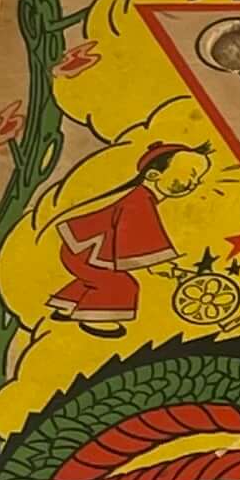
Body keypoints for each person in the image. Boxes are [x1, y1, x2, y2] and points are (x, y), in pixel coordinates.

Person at [49, 140, 207, 336]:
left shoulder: (141, 198)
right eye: (189, 176)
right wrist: (161, 266)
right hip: (84, 254)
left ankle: (67, 305)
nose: (194, 183)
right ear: (153, 175)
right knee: (122, 285)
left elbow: (138, 240)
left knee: (99, 279)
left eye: (198, 178)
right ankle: (95, 319)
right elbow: (139, 241)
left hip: (81, 251)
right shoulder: (139, 202)